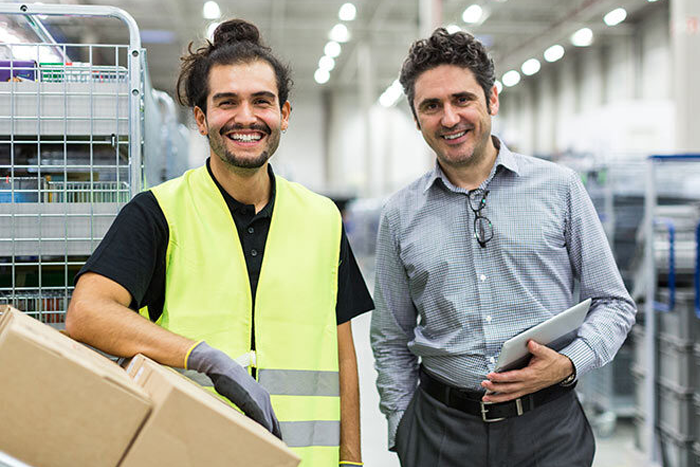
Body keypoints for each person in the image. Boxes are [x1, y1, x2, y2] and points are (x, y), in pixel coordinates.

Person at [66, 19, 372, 467]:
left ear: (284, 115)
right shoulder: (158, 213)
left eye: (261, 102)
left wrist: (352, 460)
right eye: (227, 102)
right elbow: (87, 312)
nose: (246, 117)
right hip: (193, 453)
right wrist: (201, 356)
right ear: (201, 117)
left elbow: (344, 351)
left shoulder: (323, 218)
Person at [370, 28, 636, 467]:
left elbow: (613, 303)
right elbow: (390, 338)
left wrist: (569, 363)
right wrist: (402, 426)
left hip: (549, 429)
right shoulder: (400, 213)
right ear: (416, 119)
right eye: (431, 106)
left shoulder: (560, 188)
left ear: (491, 100)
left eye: (462, 99)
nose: (449, 118)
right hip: (441, 432)